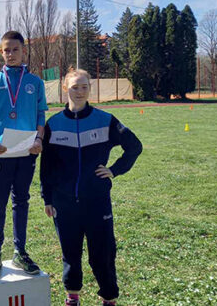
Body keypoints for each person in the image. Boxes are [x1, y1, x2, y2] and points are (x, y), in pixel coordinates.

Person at [41, 69, 142, 306]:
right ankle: (72, 296)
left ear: (90, 88)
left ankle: (109, 298)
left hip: (97, 202)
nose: (80, 92)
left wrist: (114, 170)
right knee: (70, 253)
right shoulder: (54, 124)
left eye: (84, 87)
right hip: (64, 203)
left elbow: (134, 146)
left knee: (102, 254)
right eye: (75, 87)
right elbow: (46, 167)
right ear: (65, 88)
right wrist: (47, 198)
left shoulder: (105, 120)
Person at [0, 31, 47, 278]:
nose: (11, 54)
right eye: (6, 50)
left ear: (23, 51)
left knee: (21, 201)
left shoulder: (35, 83)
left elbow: (41, 114)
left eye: (15, 49)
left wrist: (39, 139)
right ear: (1, 52)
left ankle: (20, 251)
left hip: (26, 151)